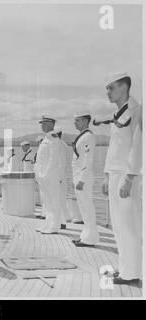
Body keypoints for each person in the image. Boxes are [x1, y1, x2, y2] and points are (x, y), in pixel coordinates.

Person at [100, 72, 142, 284]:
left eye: (111, 88)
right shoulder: (118, 114)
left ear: (124, 88)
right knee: (118, 225)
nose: (108, 92)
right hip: (115, 175)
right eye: (107, 88)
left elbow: (137, 147)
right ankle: (127, 269)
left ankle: (133, 273)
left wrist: (129, 177)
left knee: (128, 224)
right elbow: (113, 149)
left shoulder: (136, 111)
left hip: (127, 177)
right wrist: (107, 176)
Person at [70, 113, 99, 247]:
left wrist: (81, 180)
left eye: (77, 120)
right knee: (83, 209)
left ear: (85, 121)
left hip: (84, 178)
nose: (74, 123)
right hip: (79, 177)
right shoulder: (83, 135)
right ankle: (85, 236)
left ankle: (90, 238)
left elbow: (89, 159)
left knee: (87, 208)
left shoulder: (88, 136)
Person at [34, 116, 61, 234]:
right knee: (47, 202)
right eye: (42, 123)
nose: (42, 126)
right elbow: (40, 160)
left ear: (51, 124)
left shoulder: (54, 139)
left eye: (44, 123)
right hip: (43, 177)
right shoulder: (47, 139)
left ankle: (54, 226)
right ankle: (48, 224)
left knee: (53, 201)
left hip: (50, 177)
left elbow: (53, 160)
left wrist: (46, 174)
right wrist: (39, 174)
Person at [51, 126, 70, 229]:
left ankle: (61, 222)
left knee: (59, 199)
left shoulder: (59, 145)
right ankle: (61, 221)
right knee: (59, 199)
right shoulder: (60, 144)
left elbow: (61, 163)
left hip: (59, 177)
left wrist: (59, 178)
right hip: (59, 176)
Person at [33, 135, 45, 219]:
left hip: (43, 177)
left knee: (44, 196)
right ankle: (43, 213)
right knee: (42, 196)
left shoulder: (43, 151)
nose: (38, 144)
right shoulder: (39, 151)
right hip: (39, 177)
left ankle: (45, 214)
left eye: (39, 142)